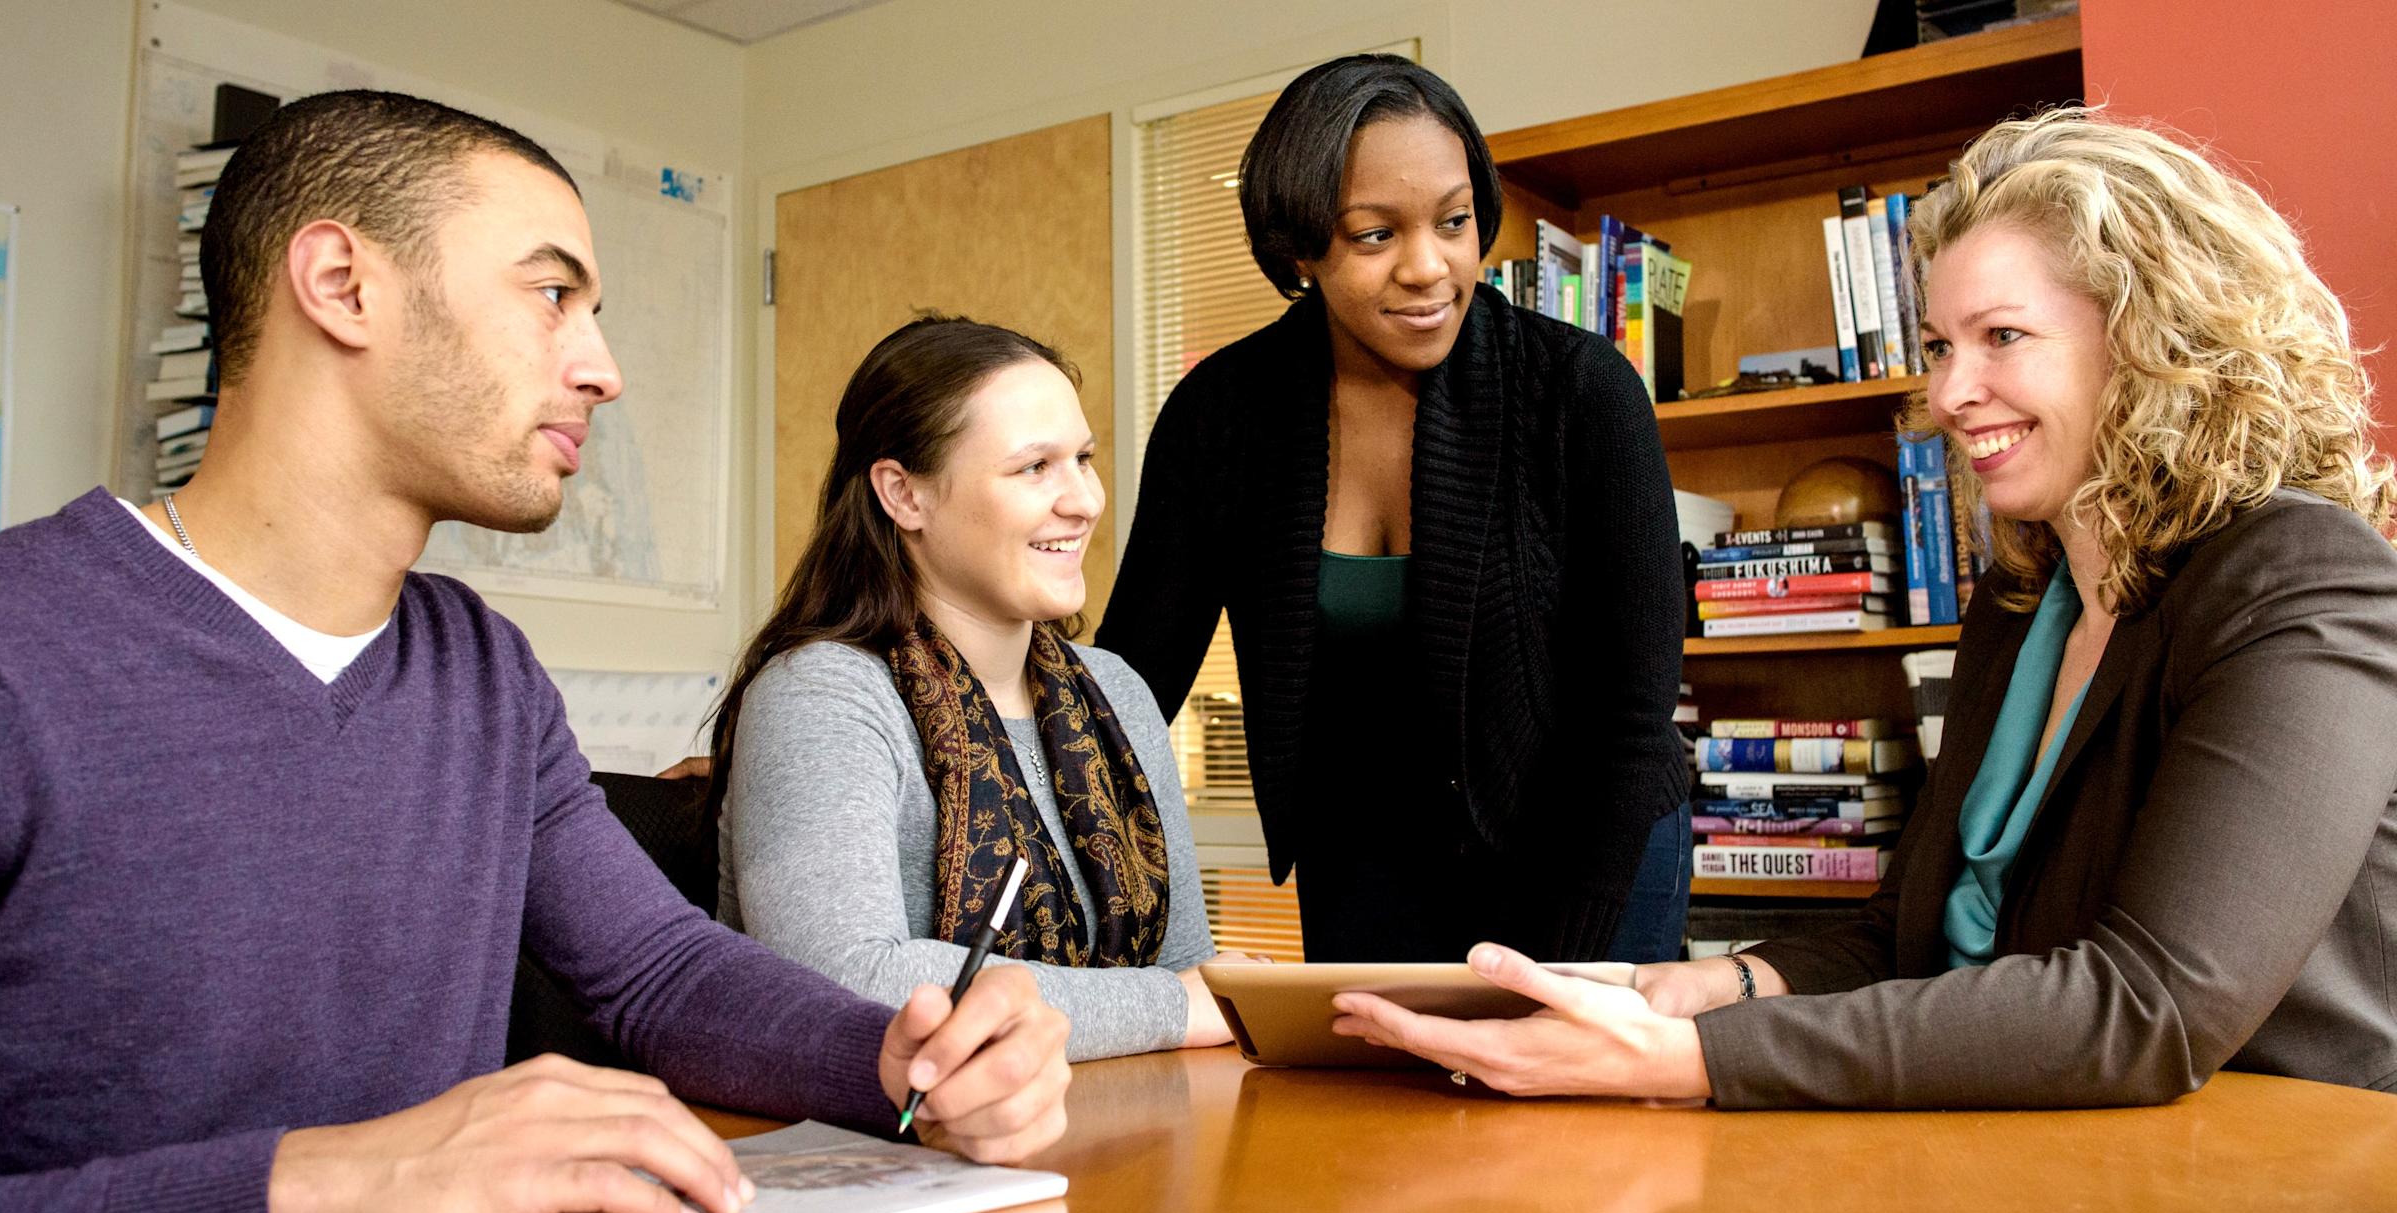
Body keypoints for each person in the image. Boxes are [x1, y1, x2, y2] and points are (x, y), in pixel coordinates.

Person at [0, 92, 1069, 1213]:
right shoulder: (28, 647)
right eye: (553, 294)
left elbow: (659, 974)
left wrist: (898, 1061)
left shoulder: (482, 669)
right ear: (343, 284)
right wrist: (322, 1182)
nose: (602, 366)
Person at [1329, 107, 2397, 1106]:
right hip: (2039, 1163)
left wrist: (1689, 1060)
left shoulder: (2302, 579)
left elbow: (2149, 1006)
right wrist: (1704, 989)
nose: (1948, 394)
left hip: (2268, 1200)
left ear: (2155, 340)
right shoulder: (2026, 601)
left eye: (2003, 338)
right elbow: (1904, 938)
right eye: (1938, 348)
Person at [1097, 54, 1691, 966]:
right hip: (1363, 869)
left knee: (1565, 1106)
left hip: (1588, 854)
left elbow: (1632, 716)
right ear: (1299, 245)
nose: (1430, 267)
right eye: (1375, 235)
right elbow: (1130, 687)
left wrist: (1561, 965)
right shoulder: (1223, 416)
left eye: (1454, 223)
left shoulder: (1582, 393)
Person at [706, 315, 1237, 1063]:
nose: (1084, 500)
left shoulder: (1116, 692)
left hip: (1126, 1133)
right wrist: (1168, 1005)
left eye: (1083, 459)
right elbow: (845, 981)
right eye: (1035, 467)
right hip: (902, 1158)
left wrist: (1190, 1000)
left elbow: (1192, 969)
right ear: (904, 496)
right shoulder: (820, 696)